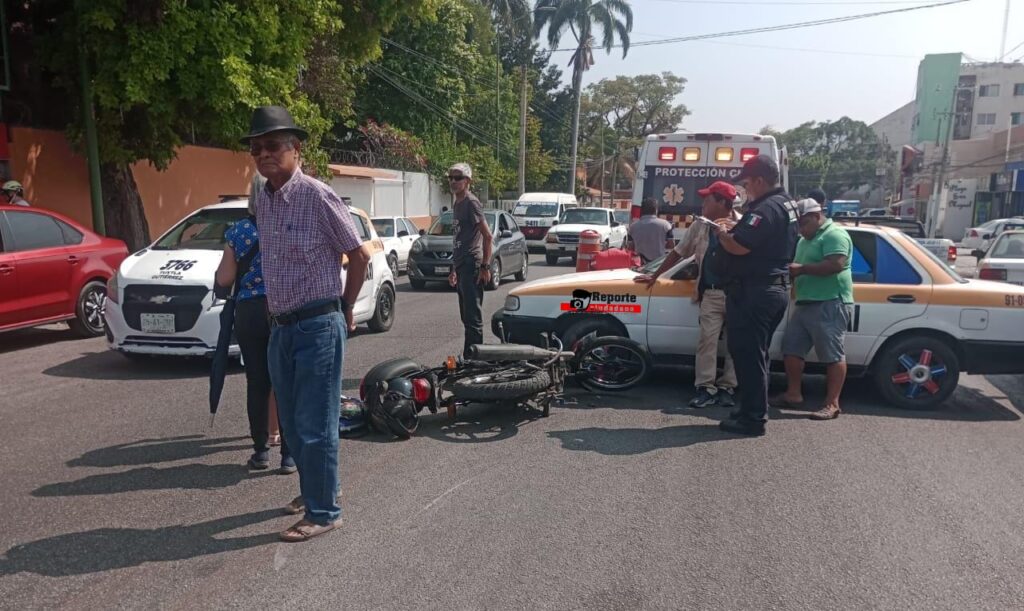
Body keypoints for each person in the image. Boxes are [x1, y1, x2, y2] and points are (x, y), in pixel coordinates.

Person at [243, 105, 371, 542]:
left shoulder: (318, 196)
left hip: (317, 324)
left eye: (272, 145)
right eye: (256, 148)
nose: (263, 154)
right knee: (294, 427)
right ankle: (318, 490)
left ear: (295, 148)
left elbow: (359, 256)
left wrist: (345, 307)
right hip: (280, 326)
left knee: (315, 423)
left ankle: (324, 512)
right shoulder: (263, 198)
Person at [709, 155, 799, 437]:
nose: (745, 190)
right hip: (771, 288)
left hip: (755, 291)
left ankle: (753, 419)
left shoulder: (766, 208)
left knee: (749, 355)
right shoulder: (786, 203)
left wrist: (722, 232)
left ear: (760, 181)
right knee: (756, 355)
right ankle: (750, 408)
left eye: (747, 184)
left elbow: (740, 246)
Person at [214, 173, 293, 474]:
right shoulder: (286, 227)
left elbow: (224, 278)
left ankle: (261, 451)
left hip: (249, 311)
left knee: (257, 382)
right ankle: (289, 455)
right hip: (282, 308)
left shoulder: (239, 231)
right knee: (285, 380)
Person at [771, 198, 853, 421]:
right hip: (806, 302)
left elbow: (836, 264)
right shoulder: (805, 239)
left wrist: (802, 270)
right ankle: (793, 394)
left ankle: (832, 403)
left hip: (830, 302)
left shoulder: (834, 235)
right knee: (791, 349)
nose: (800, 229)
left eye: (804, 223)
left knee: (832, 354)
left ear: (817, 216)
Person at [446, 163, 494, 356]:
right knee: (466, 317)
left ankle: (474, 360)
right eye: (450, 177)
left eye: (458, 178)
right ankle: (470, 357)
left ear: (467, 181)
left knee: (473, 318)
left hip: (471, 264)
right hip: (461, 265)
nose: (453, 181)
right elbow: (459, 238)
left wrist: (485, 267)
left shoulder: (471, 203)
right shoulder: (457, 203)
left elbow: (488, 236)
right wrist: (454, 268)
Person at [626, 198, 674, 263]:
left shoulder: (633, 227)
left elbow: (630, 248)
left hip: (640, 263)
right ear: (656, 210)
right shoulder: (666, 225)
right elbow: (671, 245)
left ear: (642, 210)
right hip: (658, 263)